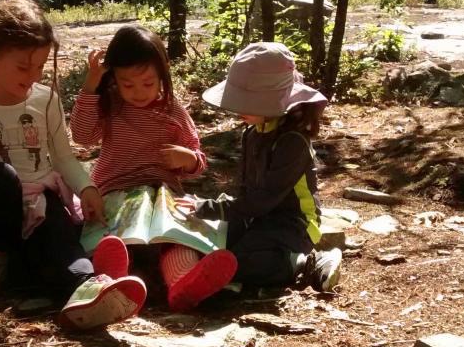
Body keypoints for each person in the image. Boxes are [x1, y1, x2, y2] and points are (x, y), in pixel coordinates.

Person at [0, 0, 146, 331]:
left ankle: (87, 290)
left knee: (60, 242)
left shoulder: (45, 100)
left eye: (40, 66)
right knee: (0, 175)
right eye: (23, 66)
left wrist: (86, 187)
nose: (33, 76)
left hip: (40, 205)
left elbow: (62, 156)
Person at [71, 25, 237, 311]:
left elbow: (197, 159)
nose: (138, 93)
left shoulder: (172, 110)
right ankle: (113, 280)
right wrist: (90, 85)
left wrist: (187, 159)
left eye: (148, 83)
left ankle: (183, 282)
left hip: (163, 193)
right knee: (117, 234)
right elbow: (82, 136)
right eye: (127, 84)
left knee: (176, 233)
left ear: (163, 72)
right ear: (113, 79)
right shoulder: (110, 104)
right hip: (116, 189)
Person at [195, 42, 341, 292]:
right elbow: (247, 192)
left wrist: (210, 208)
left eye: (248, 102)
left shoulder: (292, 141)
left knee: (238, 263)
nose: (239, 109)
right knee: (209, 248)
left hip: (292, 224)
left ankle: (305, 263)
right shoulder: (252, 133)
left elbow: (264, 199)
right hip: (258, 219)